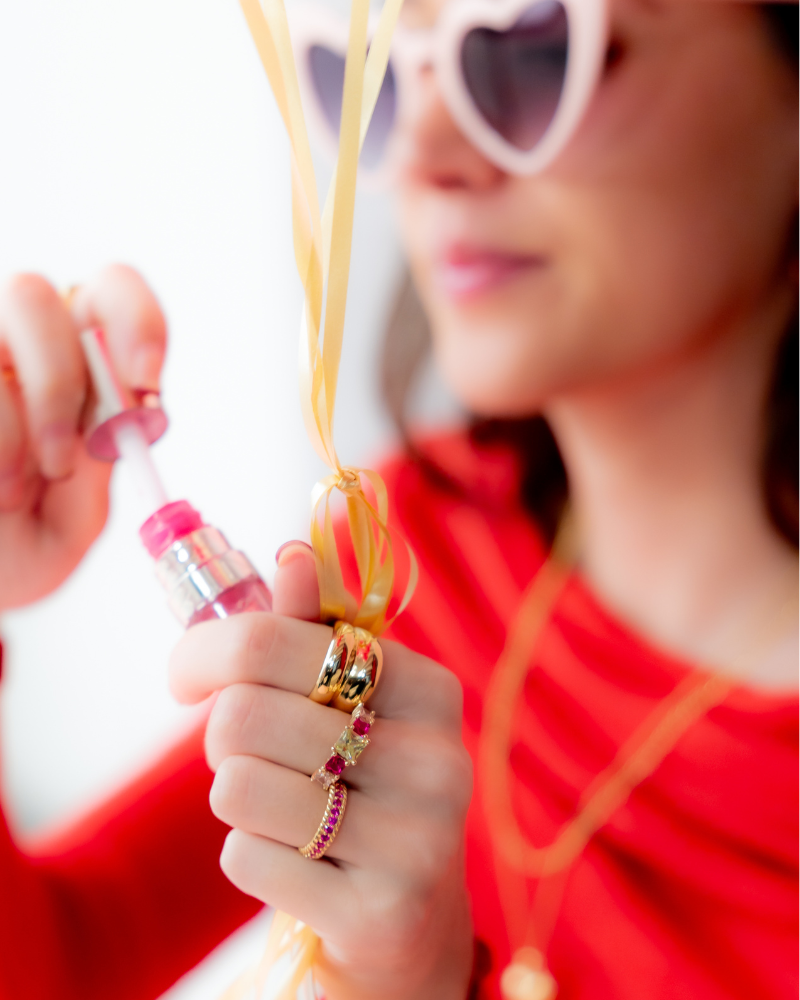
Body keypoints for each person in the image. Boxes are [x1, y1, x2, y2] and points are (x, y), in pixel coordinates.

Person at [0, 1, 796, 998]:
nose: (421, 156)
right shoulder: (409, 563)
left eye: (534, 51)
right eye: (380, 75)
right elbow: (59, 962)